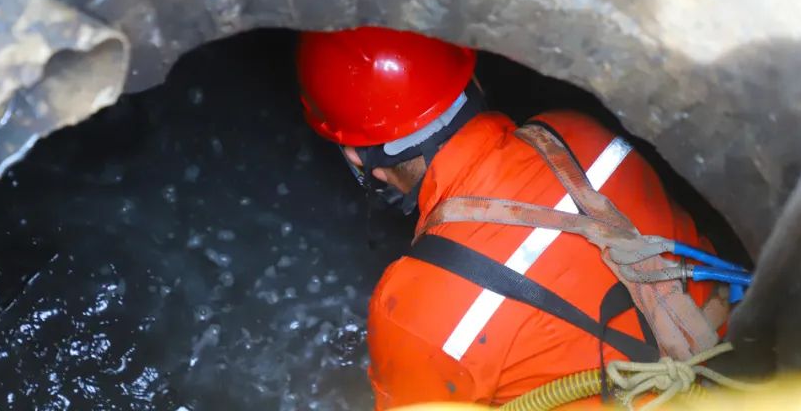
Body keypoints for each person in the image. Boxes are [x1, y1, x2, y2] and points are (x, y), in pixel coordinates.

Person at [297, 27, 733, 409]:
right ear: (472, 80)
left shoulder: (412, 315)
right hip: (740, 368)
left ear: (357, 157)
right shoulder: (581, 133)